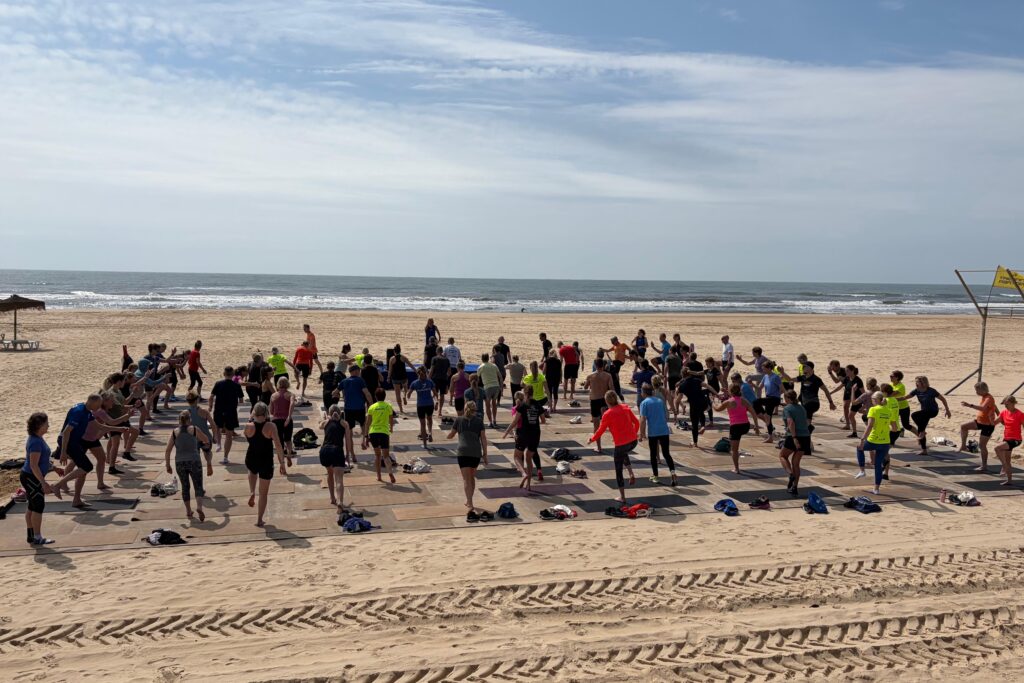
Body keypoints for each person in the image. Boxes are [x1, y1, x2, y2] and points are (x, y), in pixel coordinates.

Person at [22, 413, 73, 545]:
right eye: (46, 423)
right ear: (39, 425)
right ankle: (37, 537)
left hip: (30, 477)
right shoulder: (35, 442)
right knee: (38, 506)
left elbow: (41, 460)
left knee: (32, 506)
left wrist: (54, 468)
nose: (48, 425)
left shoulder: (38, 438)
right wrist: (43, 483)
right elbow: (33, 465)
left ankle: (31, 536)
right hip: (31, 477)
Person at [588, 391, 639, 503]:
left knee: (618, 470)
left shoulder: (607, 414)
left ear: (606, 401)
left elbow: (600, 430)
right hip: (633, 442)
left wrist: (592, 439)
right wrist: (634, 434)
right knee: (624, 452)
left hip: (621, 444)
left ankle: (622, 497)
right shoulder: (625, 407)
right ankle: (631, 473)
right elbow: (637, 422)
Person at [244, 402, 287, 527]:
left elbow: (247, 437)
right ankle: (259, 519)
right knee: (263, 494)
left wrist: (252, 419)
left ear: (254, 412)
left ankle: (252, 491)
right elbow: (278, 445)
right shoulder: (270, 426)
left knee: (252, 471)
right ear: (266, 413)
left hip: (251, 457)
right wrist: (282, 462)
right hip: (265, 461)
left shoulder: (248, 426)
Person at [164, 410, 211, 522]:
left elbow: (168, 450)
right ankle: (199, 507)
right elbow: (206, 440)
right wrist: (202, 442)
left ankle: (189, 511)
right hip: (194, 460)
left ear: (179, 420)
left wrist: (168, 465)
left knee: (185, 487)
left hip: (180, 462)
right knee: (198, 485)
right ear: (190, 419)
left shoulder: (174, 432)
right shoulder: (194, 429)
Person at [448, 402, 489, 521]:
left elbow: (451, 435)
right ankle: (469, 500)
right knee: (472, 477)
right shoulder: (479, 421)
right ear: (475, 410)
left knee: (466, 479)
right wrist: (485, 454)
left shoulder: (459, 420)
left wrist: (447, 436)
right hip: (475, 452)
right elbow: (483, 439)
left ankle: (469, 502)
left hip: (463, 452)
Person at [714, 384, 761, 474]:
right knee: (737, 440)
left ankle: (736, 468)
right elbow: (754, 413)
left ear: (730, 392)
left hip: (735, 427)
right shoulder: (744, 400)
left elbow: (717, 409)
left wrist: (713, 403)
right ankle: (736, 466)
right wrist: (756, 426)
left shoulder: (728, 402)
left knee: (734, 450)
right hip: (745, 426)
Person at [855, 391, 895, 495]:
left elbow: (870, 426)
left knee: (859, 448)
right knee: (878, 465)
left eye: (872, 399)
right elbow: (894, 428)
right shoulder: (889, 411)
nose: (872, 401)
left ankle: (862, 471)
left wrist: (863, 438)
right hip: (885, 441)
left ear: (875, 400)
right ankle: (876, 489)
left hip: (874, 439)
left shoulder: (873, 409)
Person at [503, 391, 545, 490]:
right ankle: (529, 484)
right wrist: (534, 422)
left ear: (525, 394)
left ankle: (523, 473)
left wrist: (506, 432)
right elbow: (543, 420)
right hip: (535, 435)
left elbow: (515, 421)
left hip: (523, 434)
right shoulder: (537, 405)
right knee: (529, 458)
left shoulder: (521, 406)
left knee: (517, 456)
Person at [638, 384, 677, 486]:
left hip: (653, 432)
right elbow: (666, 415)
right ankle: (672, 472)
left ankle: (655, 476)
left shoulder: (644, 403)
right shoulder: (659, 401)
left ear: (644, 393)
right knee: (666, 453)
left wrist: (641, 434)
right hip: (664, 430)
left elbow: (642, 420)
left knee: (653, 454)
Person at [781, 361, 835, 431]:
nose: (803, 368)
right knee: (806, 421)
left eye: (805, 367)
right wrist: (782, 372)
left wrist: (831, 402)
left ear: (811, 369)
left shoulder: (816, 379)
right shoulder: (803, 377)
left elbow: (826, 390)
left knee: (802, 414)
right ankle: (808, 429)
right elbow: (790, 379)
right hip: (804, 403)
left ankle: (802, 429)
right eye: (803, 367)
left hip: (813, 403)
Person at [905, 376, 951, 455]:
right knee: (920, 429)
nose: (916, 383)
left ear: (923, 382)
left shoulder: (931, 391)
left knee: (914, 415)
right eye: (916, 382)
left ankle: (922, 433)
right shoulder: (916, 390)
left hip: (933, 411)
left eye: (917, 381)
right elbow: (906, 397)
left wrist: (947, 410)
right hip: (924, 412)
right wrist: (894, 398)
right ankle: (924, 450)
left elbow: (943, 399)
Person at [959, 382, 998, 471]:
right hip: (980, 422)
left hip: (988, 426)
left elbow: (983, 408)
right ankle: (963, 446)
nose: (976, 392)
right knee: (963, 427)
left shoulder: (988, 398)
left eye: (977, 390)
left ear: (982, 390)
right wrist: (999, 414)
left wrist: (970, 405)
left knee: (982, 445)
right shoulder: (984, 397)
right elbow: (994, 406)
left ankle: (984, 466)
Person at [779, 391, 811, 495]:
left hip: (794, 436)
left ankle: (790, 474)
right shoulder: (802, 408)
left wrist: (794, 438)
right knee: (796, 463)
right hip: (805, 436)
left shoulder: (787, 408)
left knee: (782, 456)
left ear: (787, 398)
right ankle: (794, 487)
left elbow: (791, 422)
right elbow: (806, 422)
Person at [319, 406, 351, 510]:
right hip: (337, 450)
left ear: (329, 413)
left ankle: (332, 498)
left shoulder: (326, 422)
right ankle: (340, 501)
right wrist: (348, 455)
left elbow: (320, 426)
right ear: (340, 413)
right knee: (339, 479)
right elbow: (348, 441)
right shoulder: (344, 424)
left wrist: (327, 418)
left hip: (325, 450)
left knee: (330, 473)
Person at [209, 366, 244, 465]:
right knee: (229, 434)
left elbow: (211, 396)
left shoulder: (218, 384)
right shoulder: (236, 385)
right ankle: (225, 457)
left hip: (219, 410)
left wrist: (210, 406)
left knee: (218, 428)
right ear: (233, 375)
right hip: (231, 411)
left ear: (224, 374)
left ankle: (218, 443)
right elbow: (241, 400)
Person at [363, 388, 397, 483]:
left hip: (373, 433)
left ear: (375, 397)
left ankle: (379, 476)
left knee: (377, 455)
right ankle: (390, 473)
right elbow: (391, 419)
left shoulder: (372, 407)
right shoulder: (388, 406)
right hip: (384, 432)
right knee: (386, 456)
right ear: (385, 396)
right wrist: (391, 428)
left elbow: (367, 423)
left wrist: (366, 436)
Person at [583, 359, 615, 453]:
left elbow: (585, 387)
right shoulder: (608, 375)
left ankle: (599, 447)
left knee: (596, 425)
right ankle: (617, 442)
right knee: (609, 423)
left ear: (595, 365)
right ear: (603, 365)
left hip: (594, 400)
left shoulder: (591, 376)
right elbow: (612, 389)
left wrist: (587, 383)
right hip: (604, 400)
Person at [338, 366, 372, 451]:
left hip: (348, 409)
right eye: (359, 371)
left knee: (349, 430)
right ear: (356, 371)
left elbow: (335, 392)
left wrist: (340, 396)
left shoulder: (344, 381)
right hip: (360, 408)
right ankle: (363, 442)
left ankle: (351, 452)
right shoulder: (360, 380)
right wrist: (371, 404)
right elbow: (367, 393)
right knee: (363, 426)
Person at [993, 396, 1023, 485]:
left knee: (997, 448)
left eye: (1007, 404)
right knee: (1007, 460)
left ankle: (1004, 466)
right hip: (1006, 439)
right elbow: (994, 423)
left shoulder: (1020, 414)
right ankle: (1009, 480)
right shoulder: (1004, 412)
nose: (1005, 406)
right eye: (1004, 404)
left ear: (1013, 403)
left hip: (1016, 440)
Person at [752, 360, 783, 442]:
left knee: (756, 402)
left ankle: (764, 415)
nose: (763, 370)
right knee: (768, 419)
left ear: (769, 368)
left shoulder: (775, 377)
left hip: (774, 399)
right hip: (768, 398)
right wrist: (751, 384)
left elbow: (782, 389)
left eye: (764, 369)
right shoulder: (765, 376)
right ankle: (770, 437)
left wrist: (778, 394)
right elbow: (759, 388)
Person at [186, 390, 215, 476]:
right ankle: (209, 462)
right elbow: (213, 425)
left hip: (193, 438)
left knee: (196, 456)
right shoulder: (204, 411)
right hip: (206, 437)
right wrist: (214, 436)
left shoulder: (186, 413)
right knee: (207, 452)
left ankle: (198, 471)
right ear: (197, 399)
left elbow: (183, 428)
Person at [680, 353, 707, 446]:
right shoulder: (699, 364)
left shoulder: (687, 365)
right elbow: (702, 375)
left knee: (694, 423)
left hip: (692, 400)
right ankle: (703, 425)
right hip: (699, 390)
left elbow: (678, 395)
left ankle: (695, 443)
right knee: (701, 412)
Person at [270, 377, 296, 467]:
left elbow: (271, 411)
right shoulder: (290, 395)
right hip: (286, 420)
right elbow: (292, 403)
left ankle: (282, 465)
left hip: (276, 421)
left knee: (279, 443)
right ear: (287, 384)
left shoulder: (273, 396)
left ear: (278, 384)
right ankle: (288, 454)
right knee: (288, 440)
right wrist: (289, 416)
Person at [407, 367, 435, 444]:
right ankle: (430, 432)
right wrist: (435, 400)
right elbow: (435, 393)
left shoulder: (414, 383)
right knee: (429, 419)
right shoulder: (430, 382)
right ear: (426, 373)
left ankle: (424, 443)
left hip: (421, 405)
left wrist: (407, 396)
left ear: (418, 374)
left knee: (422, 424)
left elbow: (408, 394)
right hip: (429, 403)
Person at [477, 353, 503, 428]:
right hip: (496, 386)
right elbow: (500, 377)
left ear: (482, 359)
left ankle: (490, 421)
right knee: (494, 403)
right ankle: (494, 420)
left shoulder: (481, 367)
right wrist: (501, 387)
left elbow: (477, 378)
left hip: (487, 387)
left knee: (487, 405)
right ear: (488, 358)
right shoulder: (494, 365)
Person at [388, 345, 412, 414]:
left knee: (397, 395)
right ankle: (404, 396)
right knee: (405, 388)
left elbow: (390, 370)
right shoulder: (403, 357)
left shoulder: (392, 359)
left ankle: (401, 409)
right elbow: (410, 365)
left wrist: (388, 377)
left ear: (394, 351)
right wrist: (416, 371)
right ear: (400, 350)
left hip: (395, 378)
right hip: (403, 377)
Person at [888, 370, 912, 439]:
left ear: (897, 377)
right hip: (894, 408)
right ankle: (895, 435)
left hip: (903, 408)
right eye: (890, 376)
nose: (890, 377)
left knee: (906, 425)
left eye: (892, 376)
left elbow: (891, 395)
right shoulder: (890, 384)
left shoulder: (901, 386)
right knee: (892, 422)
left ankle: (920, 436)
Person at [429, 347, 451, 415]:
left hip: (435, 378)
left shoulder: (434, 358)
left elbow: (432, 369)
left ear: (437, 351)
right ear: (442, 351)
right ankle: (440, 411)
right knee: (442, 395)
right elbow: (449, 372)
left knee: (435, 393)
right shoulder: (447, 359)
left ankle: (436, 401)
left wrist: (428, 378)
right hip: (443, 379)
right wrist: (446, 377)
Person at [541, 349, 562, 413]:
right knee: (555, 392)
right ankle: (554, 407)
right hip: (556, 378)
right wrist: (560, 379)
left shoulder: (547, 360)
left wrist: (542, 375)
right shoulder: (558, 361)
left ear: (549, 354)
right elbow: (560, 371)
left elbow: (544, 371)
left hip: (549, 378)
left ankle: (550, 407)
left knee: (549, 393)